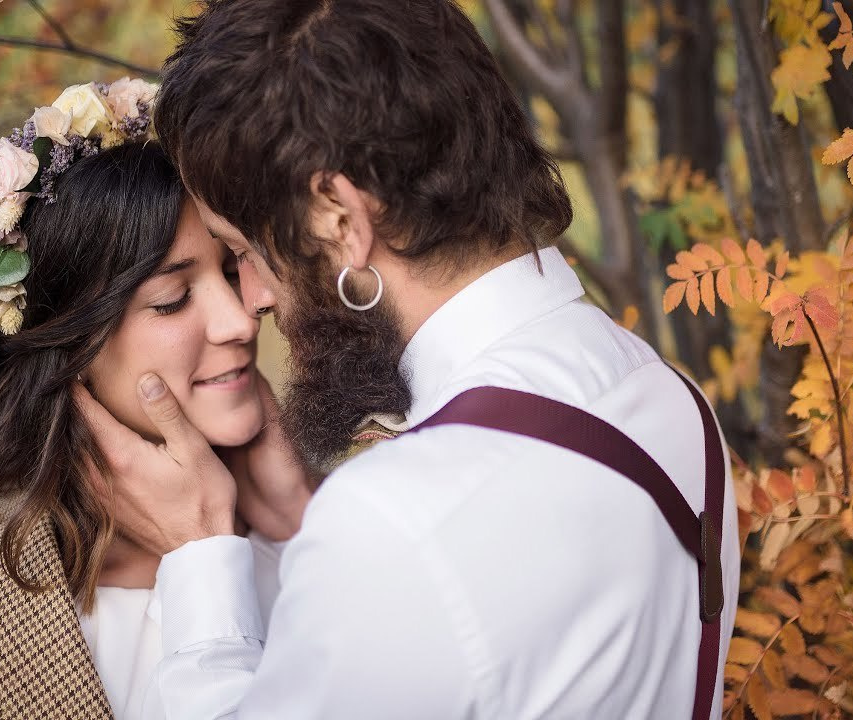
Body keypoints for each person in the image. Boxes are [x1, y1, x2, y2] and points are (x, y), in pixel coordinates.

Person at [78, 1, 741, 718]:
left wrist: (201, 551)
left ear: (339, 216)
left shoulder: (399, 521)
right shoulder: (667, 397)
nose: (256, 300)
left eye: (244, 252)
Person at [0, 82, 285, 719]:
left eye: (233, 271)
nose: (240, 321)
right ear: (62, 348)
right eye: (172, 299)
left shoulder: (342, 553)